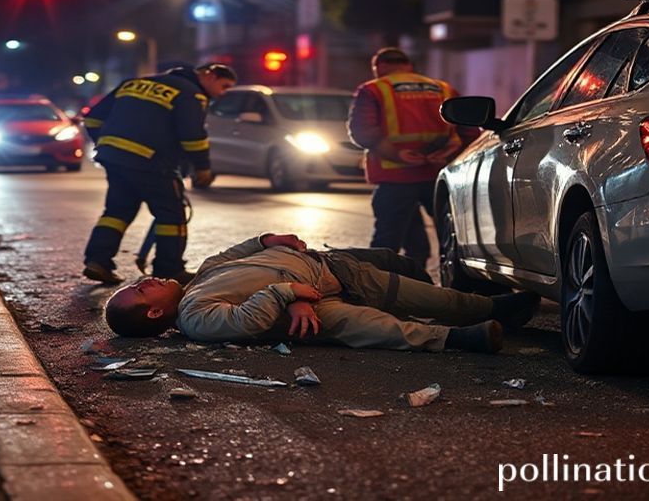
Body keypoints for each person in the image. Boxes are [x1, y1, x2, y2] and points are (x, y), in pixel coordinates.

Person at [104, 233, 539, 354]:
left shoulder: (201, 277)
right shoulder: (195, 317)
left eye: (137, 282)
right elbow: (245, 321)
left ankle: (490, 307)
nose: (145, 281)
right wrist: (287, 292)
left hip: (327, 271)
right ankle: (457, 339)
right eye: (141, 292)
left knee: (422, 296)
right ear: (155, 315)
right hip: (311, 310)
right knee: (376, 329)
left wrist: (265, 240)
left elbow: (231, 253)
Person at [82, 63, 237, 286]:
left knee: (117, 211)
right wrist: (202, 167)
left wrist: (108, 145)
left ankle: (97, 261)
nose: (222, 93)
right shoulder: (191, 94)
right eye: (224, 86)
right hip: (152, 162)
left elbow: (93, 119)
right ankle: (169, 269)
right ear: (209, 75)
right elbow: (193, 136)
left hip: (114, 159)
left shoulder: (135, 83)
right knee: (172, 215)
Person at [348, 47, 479, 269]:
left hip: (395, 177)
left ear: (378, 67)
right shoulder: (444, 89)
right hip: (438, 175)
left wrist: (397, 154)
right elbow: (469, 132)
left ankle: (378, 285)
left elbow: (362, 132)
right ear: (409, 66)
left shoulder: (373, 90)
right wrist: (449, 154)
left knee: (386, 241)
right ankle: (456, 284)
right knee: (451, 235)